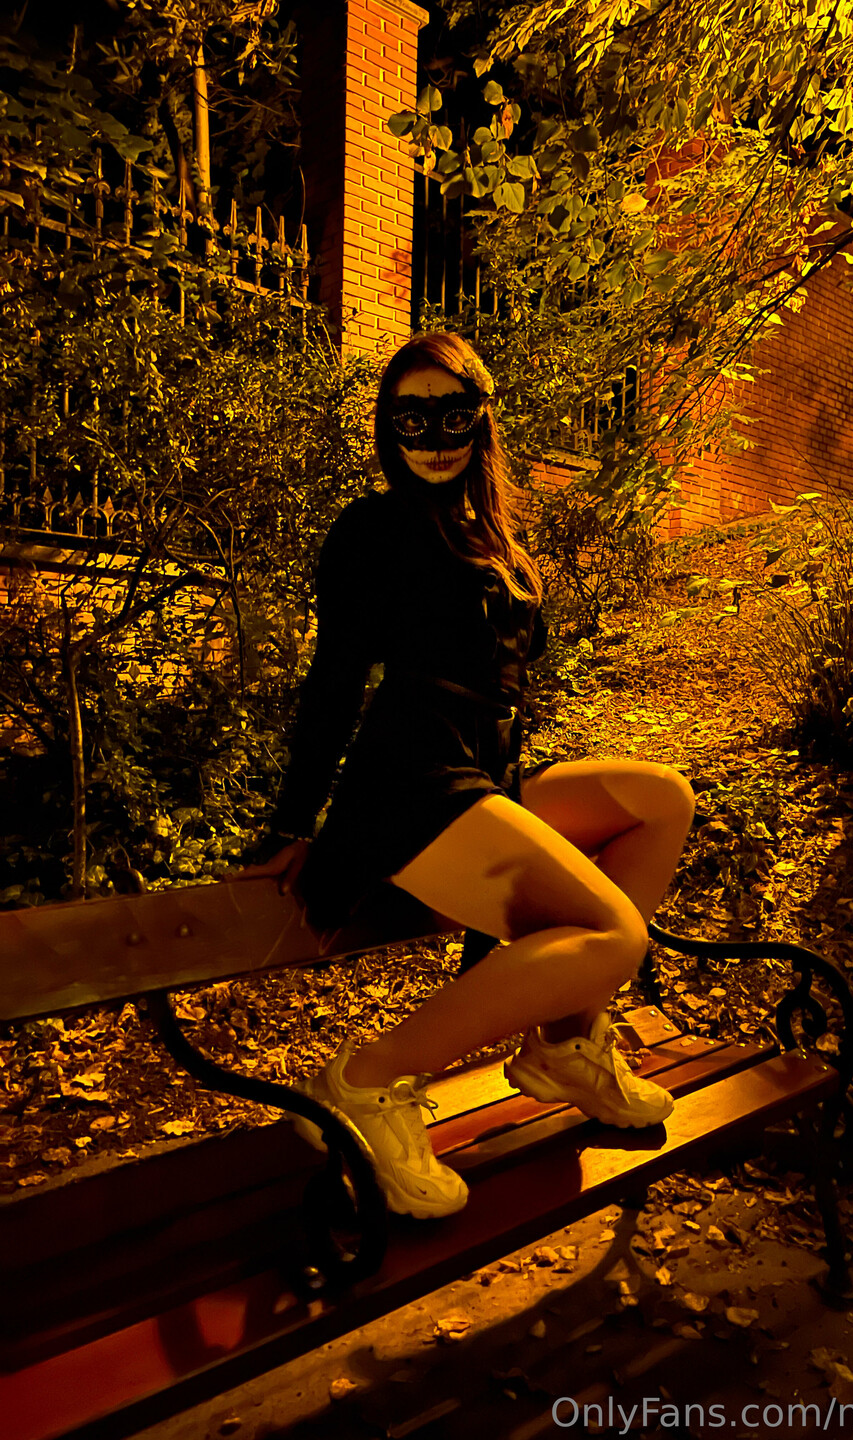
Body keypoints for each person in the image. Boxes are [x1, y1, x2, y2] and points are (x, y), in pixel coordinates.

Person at [241, 332, 696, 1220]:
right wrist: (295, 822)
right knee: (615, 936)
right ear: (388, 428)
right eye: (410, 418)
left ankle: (565, 1041)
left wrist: (520, 805)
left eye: (452, 415)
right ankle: (364, 1082)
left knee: (662, 799)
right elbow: (335, 681)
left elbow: (505, 691)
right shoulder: (371, 530)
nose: (433, 438)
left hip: (481, 774)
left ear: (481, 419)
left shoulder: (492, 538)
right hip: (407, 782)